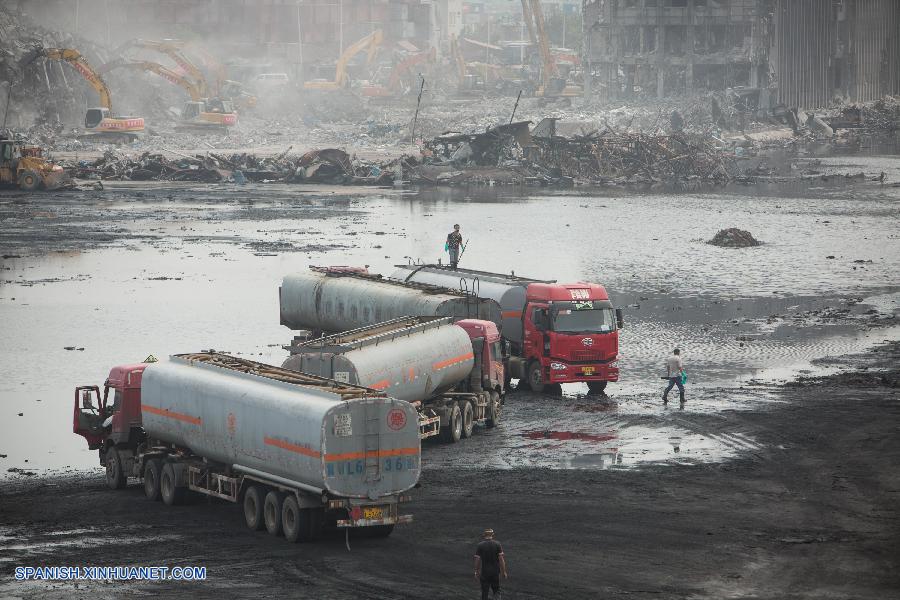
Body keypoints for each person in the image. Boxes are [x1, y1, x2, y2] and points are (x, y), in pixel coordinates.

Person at [474, 528, 507, 600]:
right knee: (496, 591)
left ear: (484, 535)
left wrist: (476, 571)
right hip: (495, 572)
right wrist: (503, 571)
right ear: (493, 535)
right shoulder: (497, 544)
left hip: (485, 572)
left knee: (484, 592)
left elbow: (477, 560)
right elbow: (501, 559)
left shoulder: (480, 545)